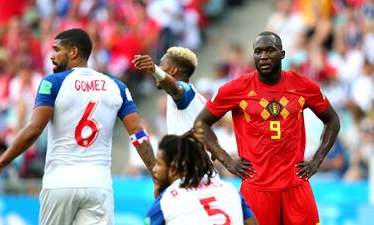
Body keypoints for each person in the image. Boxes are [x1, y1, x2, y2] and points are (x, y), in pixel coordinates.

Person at [0, 28, 156, 225]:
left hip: (60, 182)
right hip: (98, 185)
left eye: (57, 50)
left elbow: (34, 128)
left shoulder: (54, 82)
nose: (52, 56)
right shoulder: (116, 87)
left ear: (73, 52)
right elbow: (138, 134)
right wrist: (155, 175)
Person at [194, 31, 340, 225]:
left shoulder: (303, 86)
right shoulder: (236, 88)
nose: (263, 56)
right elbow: (200, 123)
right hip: (256, 188)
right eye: (258, 51)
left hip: (296, 185)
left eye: (270, 50)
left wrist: (317, 159)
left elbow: (332, 120)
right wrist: (226, 160)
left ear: (282, 54)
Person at [146, 129, 258, 225]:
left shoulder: (166, 201)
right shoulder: (229, 189)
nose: (154, 169)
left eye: (159, 163)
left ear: (174, 167)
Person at [132, 46, 206, 135]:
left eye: (161, 64)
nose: (159, 67)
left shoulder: (185, 89)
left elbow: (176, 89)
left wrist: (155, 70)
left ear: (173, 70)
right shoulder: (198, 97)